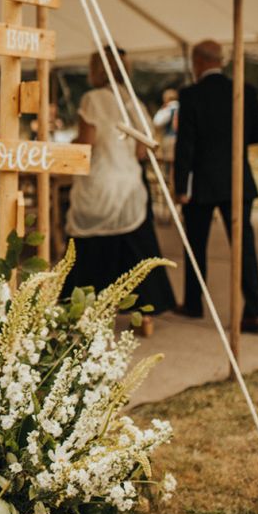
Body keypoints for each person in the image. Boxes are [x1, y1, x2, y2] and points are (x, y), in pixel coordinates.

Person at [64, 49, 176, 336]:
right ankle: (145, 313)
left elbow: (86, 143)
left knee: (92, 248)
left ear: (96, 71)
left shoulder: (92, 99)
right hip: (130, 183)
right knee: (135, 250)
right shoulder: (135, 103)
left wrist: (69, 144)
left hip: (101, 180)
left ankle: (91, 308)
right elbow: (142, 150)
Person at [174, 40, 258, 334]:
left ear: (198, 62)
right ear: (221, 61)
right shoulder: (245, 91)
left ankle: (193, 303)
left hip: (201, 183)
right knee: (245, 249)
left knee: (195, 246)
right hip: (238, 180)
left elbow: (185, 146)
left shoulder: (190, 95)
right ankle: (254, 314)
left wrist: (181, 187)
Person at [153, 88, 180, 162]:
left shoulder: (169, 107)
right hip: (181, 138)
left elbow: (157, 122)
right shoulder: (182, 106)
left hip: (170, 139)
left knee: (170, 163)